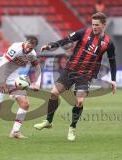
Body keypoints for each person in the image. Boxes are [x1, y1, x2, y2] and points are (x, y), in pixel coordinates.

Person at [34, 12, 117, 141]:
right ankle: (48, 121)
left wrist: (113, 79)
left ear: (104, 25)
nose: (94, 27)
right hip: (70, 70)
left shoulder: (108, 43)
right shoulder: (83, 32)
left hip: (86, 75)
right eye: (93, 24)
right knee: (54, 93)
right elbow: (66, 40)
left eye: (97, 25)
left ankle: (72, 128)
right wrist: (51, 45)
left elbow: (112, 60)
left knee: (79, 101)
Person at [0, 36, 41, 139]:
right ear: (25, 42)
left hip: (14, 80)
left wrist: (37, 83)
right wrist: (2, 82)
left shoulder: (32, 54)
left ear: (34, 47)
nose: (28, 49)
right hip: (0, 76)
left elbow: (37, 68)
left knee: (25, 104)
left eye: (31, 48)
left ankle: (15, 132)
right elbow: (3, 64)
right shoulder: (16, 48)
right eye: (27, 46)